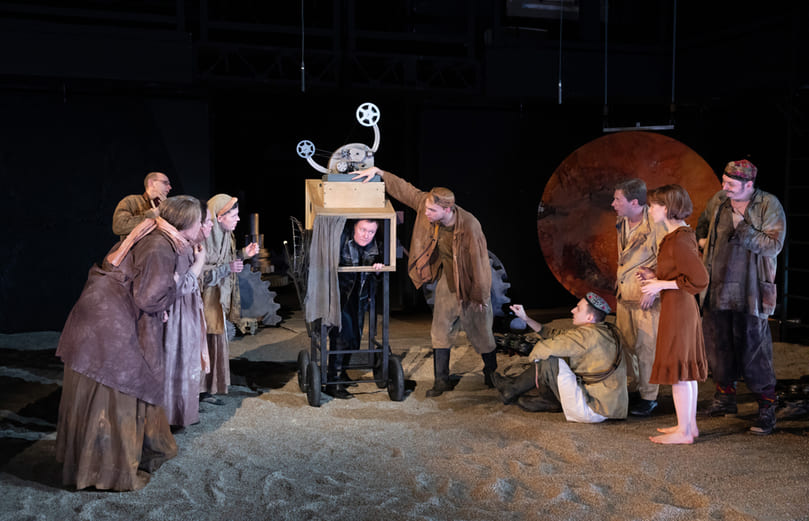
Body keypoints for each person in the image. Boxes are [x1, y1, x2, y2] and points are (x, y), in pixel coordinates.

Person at [55, 195, 202, 491]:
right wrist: (176, 285)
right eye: (200, 221)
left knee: (110, 390)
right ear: (186, 223)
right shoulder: (161, 245)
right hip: (109, 324)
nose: (201, 227)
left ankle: (107, 460)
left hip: (100, 314)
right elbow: (149, 297)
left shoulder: (152, 232)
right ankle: (104, 472)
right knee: (116, 392)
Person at [352, 166, 497, 397]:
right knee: (440, 328)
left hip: (469, 281)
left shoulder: (469, 226)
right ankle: (441, 380)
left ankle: (492, 375)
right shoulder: (426, 205)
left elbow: (480, 263)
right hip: (447, 278)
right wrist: (380, 172)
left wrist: (481, 295)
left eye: (432, 210)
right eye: (426, 208)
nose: (426, 213)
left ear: (447, 210)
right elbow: (405, 190)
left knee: (481, 330)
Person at [696, 160, 787, 435]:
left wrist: (741, 225)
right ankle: (725, 397)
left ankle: (766, 408)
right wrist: (702, 242)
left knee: (754, 349)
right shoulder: (719, 200)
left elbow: (773, 245)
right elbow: (702, 227)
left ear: (749, 184)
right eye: (724, 181)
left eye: (731, 184)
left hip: (751, 290)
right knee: (718, 347)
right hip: (717, 287)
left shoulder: (767, 205)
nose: (724, 187)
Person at [638, 184, 709, 444]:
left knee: (679, 371)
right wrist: (655, 277)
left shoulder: (679, 238)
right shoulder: (677, 236)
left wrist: (660, 284)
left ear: (666, 208)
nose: (650, 210)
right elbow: (679, 273)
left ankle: (685, 432)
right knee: (684, 372)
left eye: (653, 205)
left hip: (679, 309)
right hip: (677, 306)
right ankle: (688, 426)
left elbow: (700, 279)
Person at [490, 293, 628, 423]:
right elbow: (555, 334)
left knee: (549, 359)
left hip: (593, 408)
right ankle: (514, 386)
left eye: (578, 308)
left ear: (589, 317)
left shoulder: (584, 337)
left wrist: (531, 355)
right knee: (561, 356)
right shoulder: (605, 330)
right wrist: (525, 318)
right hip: (611, 407)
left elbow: (542, 349)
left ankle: (533, 395)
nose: (573, 310)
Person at [611, 179, 665, 416]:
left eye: (618, 199)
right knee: (627, 345)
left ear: (634, 202)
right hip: (625, 295)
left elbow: (668, 260)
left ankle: (649, 396)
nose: (613, 204)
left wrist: (654, 289)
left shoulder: (656, 225)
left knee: (646, 349)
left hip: (645, 298)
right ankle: (635, 388)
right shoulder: (622, 222)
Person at [200, 194, 259, 404]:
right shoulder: (203, 238)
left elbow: (227, 260)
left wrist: (243, 254)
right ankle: (199, 391)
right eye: (233, 215)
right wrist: (227, 268)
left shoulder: (226, 236)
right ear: (219, 217)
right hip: (203, 303)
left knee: (215, 344)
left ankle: (209, 388)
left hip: (217, 301)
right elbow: (198, 274)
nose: (238, 219)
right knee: (202, 345)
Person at [163, 201, 214, 427]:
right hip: (176, 313)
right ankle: (170, 416)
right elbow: (178, 286)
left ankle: (181, 413)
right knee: (176, 361)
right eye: (206, 221)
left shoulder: (189, 246)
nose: (209, 225)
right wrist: (199, 264)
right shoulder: (176, 247)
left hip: (187, 310)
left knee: (187, 361)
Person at [326, 219, 386, 399]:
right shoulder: (341, 240)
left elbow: (377, 275)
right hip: (339, 296)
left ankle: (342, 372)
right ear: (354, 227)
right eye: (362, 229)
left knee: (354, 338)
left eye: (371, 232)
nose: (366, 235)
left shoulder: (377, 246)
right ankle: (333, 381)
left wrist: (378, 270)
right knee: (341, 335)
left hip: (359, 297)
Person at [112, 171, 172, 239]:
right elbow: (119, 227)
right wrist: (150, 215)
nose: (170, 187)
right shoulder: (130, 201)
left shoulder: (169, 207)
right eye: (165, 183)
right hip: (138, 245)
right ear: (151, 183)